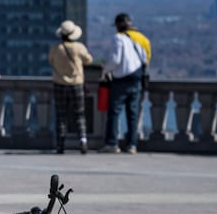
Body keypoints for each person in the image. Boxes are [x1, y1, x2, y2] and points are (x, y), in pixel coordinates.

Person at [100, 13, 151, 154]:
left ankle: (112, 143)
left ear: (118, 25)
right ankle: (132, 144)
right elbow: (146, 59)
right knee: (133, 113)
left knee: (114, 112)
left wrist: (106, 70)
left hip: (121, 78)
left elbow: (115, 60)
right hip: (137, 78)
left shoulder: (119, 38)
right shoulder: (142, 39)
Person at [48, 20, 93, 154]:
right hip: (76, 84)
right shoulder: (79, 47)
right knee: (79, 114)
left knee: (61, 115)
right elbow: (88, 60)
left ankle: (60, 144)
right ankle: (83, 140)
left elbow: (51, 61)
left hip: (59, 84)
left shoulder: (56, 48)